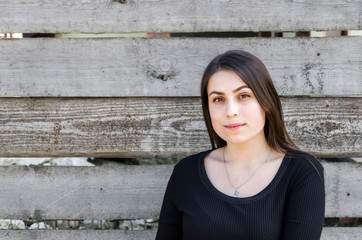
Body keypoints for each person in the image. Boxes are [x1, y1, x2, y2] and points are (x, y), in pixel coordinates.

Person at [155, 50, 325, 240]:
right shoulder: (185, 173)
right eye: (218, 99)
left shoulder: (302, 172)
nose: (231, 111)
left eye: (243, 95)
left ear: (266, 101)